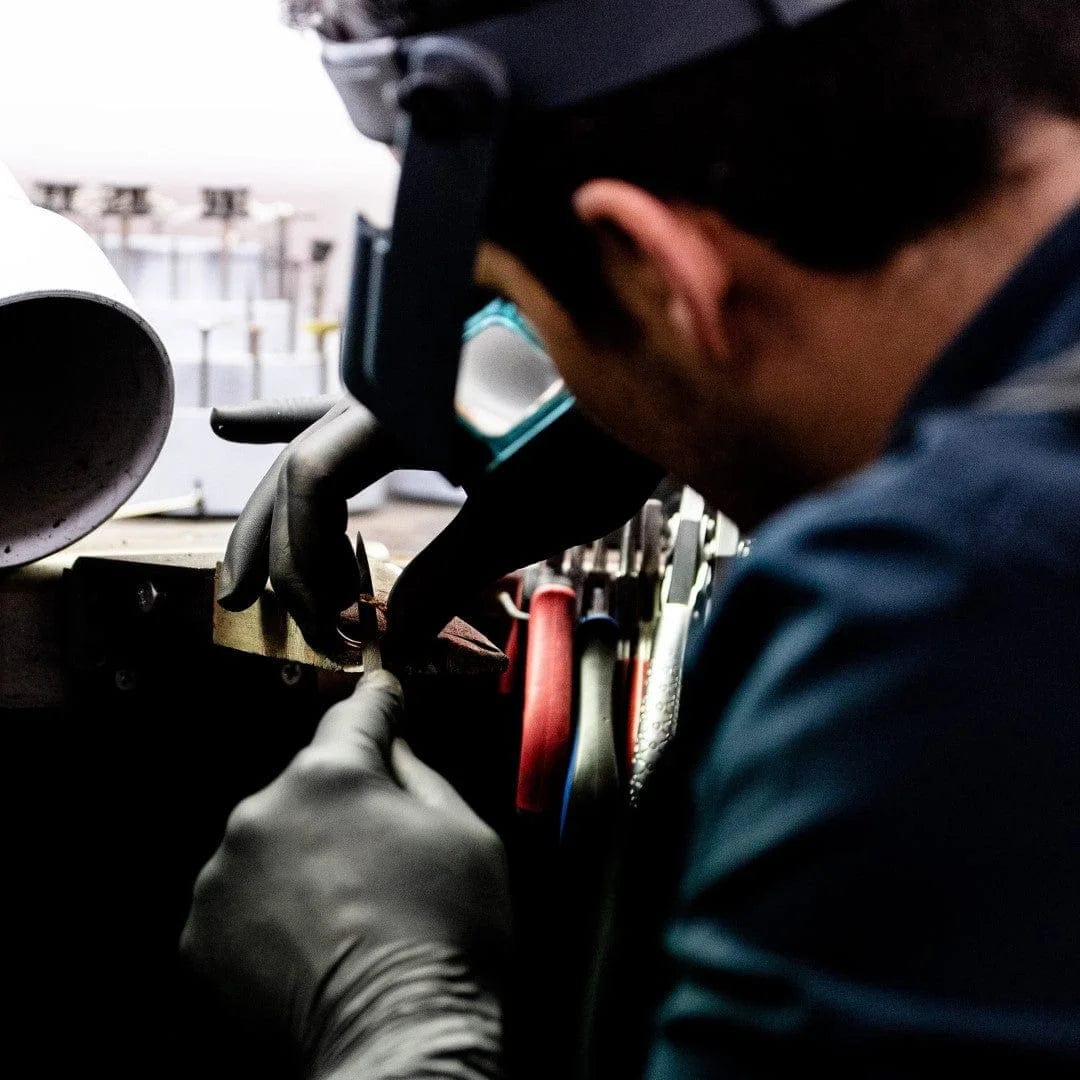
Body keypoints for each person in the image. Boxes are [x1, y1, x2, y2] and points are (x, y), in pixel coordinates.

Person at [180, 1, 1080, 1076]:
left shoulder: (939, 621)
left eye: (517, 304)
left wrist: (402, 1027)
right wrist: (633, 395)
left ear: (666, 267)